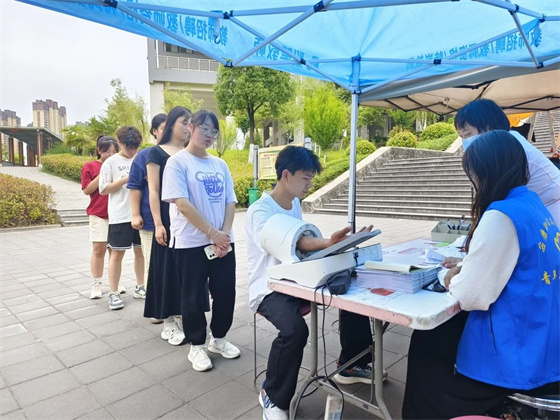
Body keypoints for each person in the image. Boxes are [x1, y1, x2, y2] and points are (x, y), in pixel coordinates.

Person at [402, 131, 560, 419]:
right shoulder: (534, 204)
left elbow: (472, 296)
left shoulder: (501, 215)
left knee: (428, 344)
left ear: (485, 173)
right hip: (544, 338)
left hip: (521, 356)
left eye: (472, 174)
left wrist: (452, 277)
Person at [245, 145, 378, 420]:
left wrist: (341, 246)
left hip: (297, 279)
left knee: (352, 293)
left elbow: (302, 245)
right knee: (294, 331)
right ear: (286, 175)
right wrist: (328, 242)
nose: (310, 184)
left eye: (311, 178)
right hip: (269, 287)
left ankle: (351, 365)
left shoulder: (294, 203)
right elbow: (293, 242)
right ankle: (273, 396)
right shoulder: (260, 211)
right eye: (306, 178)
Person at [162, 110, 240, 371]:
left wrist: (223, 236)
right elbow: (183, 204)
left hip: (223, 243)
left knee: (226, 293)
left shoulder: (220, 165)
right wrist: (213, 233)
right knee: (193, 297)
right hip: (190, 243)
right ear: (190, 126)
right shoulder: (177, 163)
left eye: (213, 131)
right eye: (204, 128)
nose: (209, 135)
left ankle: (218, 339)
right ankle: (196, 345)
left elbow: (230, 201)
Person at [454, 98, 560, 225]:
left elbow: (493, 194)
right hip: (536, 209)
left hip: (549, 210)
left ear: (488, 127)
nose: (465, 141)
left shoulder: (506, 149)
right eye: (462, 136)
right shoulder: (508, 140)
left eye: (467, 134)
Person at [144, 107, 189, 345]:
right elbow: (153, 190)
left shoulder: (191, 152)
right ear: (171, 124)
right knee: (166, 269)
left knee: (186, 270)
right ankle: (169, 321)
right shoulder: (156, 152)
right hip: (167, 217)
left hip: (189, 219)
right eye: (184, 121)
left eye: (191, 122)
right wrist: (158, 224)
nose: (188, 126)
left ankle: (184, 315)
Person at [99, 126, 145, 310]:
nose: (132, 151)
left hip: (141, 214)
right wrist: (125, 179)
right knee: (117, 254)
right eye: (128, 147)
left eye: (135, 147)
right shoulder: (111, 163)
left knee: (141, 252)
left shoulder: (142, 159)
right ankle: (113, 292)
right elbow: (103, 189)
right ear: (119, 143)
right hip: (120, 215)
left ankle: (141, 286)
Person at [127, 114, 166, 320]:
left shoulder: (181, 154)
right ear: (154, 131)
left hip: (177, 222)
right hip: (150, 222)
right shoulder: (145, 156)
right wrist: (135, 214)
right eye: (163, 128)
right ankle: (157, 309)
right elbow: (135, 187)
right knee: (153, 266)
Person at [81, 135, 118, 299]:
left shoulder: (118, 166)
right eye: (107, 151)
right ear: (99, 150)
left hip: (117, 214)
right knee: (98, 249)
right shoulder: (90, 166)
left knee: (115, 250)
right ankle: (97, 283)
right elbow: (87, 190)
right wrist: (102, 173)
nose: (110, 155)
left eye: (114, 151)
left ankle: (114, 283)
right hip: (98, 213)